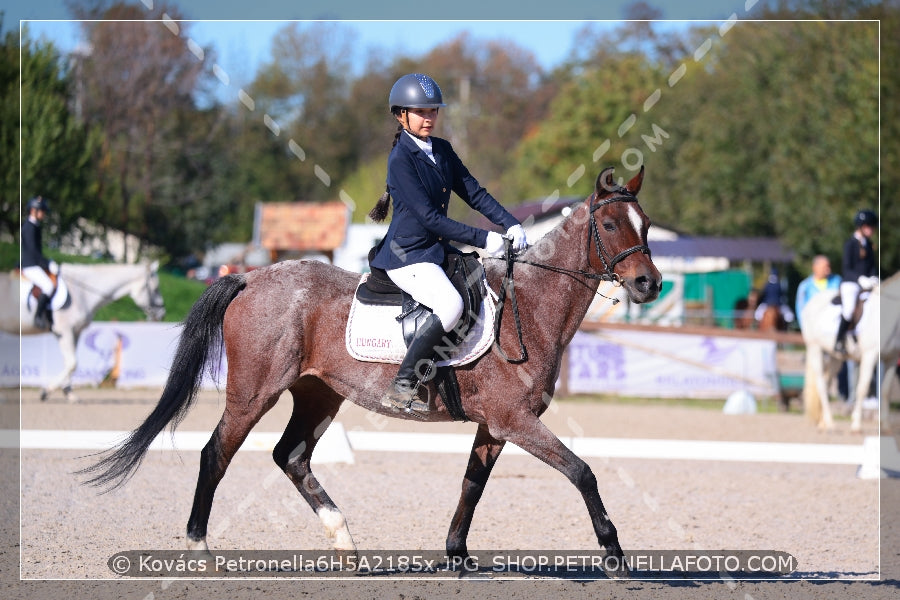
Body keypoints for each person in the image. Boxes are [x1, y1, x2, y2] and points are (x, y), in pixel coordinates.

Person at [368, 73, 527, 413]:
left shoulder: (442, 149)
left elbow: (474, 193)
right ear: (401, 115)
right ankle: (403, 384)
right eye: (420, 112)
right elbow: (430, 219)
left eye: (433, 111)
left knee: (482, 285)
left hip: (435, 250)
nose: (428, 118)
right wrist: (484, 238)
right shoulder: (400, 160)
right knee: (451, 305)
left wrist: (511, 223)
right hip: (408, 255)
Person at [835, 209, 878, 354]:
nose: (871, 229)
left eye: (872, 227)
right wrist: (859, 279)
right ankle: (839, 340)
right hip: (851, 282)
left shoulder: (869, 245)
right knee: (848, 309)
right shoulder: (850, 244)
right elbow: (846, 268)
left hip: (867, 283)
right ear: (860, 226)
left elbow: (872, 266)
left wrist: (873, 277)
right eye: (868, 226)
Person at [21, 196, 58, 330]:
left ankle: (49, 316)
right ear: (33, 210)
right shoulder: (29, 227)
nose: (44, 213)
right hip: (30, 265)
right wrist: (48, 264)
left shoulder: (35, 226)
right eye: (42, 210)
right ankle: (37, 317)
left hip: (35, 263)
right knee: (48, 286)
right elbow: (33, 251)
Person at [795, 255, 841, 329]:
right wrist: (805, 328)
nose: (828, 270)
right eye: (825, 267)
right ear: (815, 267)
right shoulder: (805, 286)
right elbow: (800, 308)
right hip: (813, 329)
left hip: (833, 328)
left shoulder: (837, 281)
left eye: (829, 266)